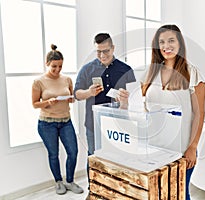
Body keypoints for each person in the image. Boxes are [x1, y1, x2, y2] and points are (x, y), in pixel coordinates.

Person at [118, 24, 205, 200]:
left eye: (171, 40)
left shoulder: (192, 74)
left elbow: (199, 113)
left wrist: (192, 147)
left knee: (179, 193)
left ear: (180, 43)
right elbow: (143, 110)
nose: (166, 46)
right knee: (157, 193)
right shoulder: (149, 73)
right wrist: (125, 104)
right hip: (153, 148)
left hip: (181, 148)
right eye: (162, 42)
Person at [73, 33, 136, 195]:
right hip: (93, 125)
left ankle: (115, 192)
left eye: (106, 51)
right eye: (98, 51)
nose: (102, 55)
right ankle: (93, 190)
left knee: (118, 160)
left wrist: (127, 101)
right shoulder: (87, 69)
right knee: (94, 158)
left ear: (113, 48)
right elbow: (76, 94)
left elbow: (136, 99)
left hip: (120, 125)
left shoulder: (126, 70)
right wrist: (88, 92)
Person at [32, 44, 84, 195]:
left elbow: (72, 98)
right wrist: (48, 102)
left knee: (73, 152)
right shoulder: (38, 82)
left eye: (60, 66)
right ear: (47, 64)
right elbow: (35, 104)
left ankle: (70, 181)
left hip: (65, 121)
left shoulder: (67, 79)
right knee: (53, 154)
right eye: (54, 66)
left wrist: (70, 99)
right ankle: (59, 182)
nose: (57, 69)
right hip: (47, 124)